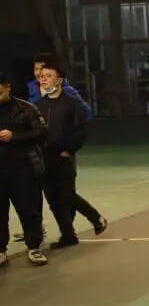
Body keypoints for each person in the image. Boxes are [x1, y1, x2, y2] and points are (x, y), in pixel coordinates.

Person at [26, 54, 106, 240]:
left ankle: (96, 218)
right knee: (53, 200)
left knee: (66, 195)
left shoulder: (73, 104)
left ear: (59, 79)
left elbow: (82, 130)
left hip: (63, 158)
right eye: (41, 76)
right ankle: (68, 235)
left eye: (48, 76)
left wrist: (69, 149)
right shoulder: (36, 105)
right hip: (43, 158)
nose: (43, 79)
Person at [0, 70, 49, 267]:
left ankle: (34, 248)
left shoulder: (26, 108)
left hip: (23, 169)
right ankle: (1, 251)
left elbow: (42, 132)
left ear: (7, 87)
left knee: (29, 210)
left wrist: (14, 136)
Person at [28, 53, 92, 119]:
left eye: (42, 69)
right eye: (36, 69)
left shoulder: (66, 90)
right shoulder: (33, 87)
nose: (38, 73)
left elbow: (87, 114)